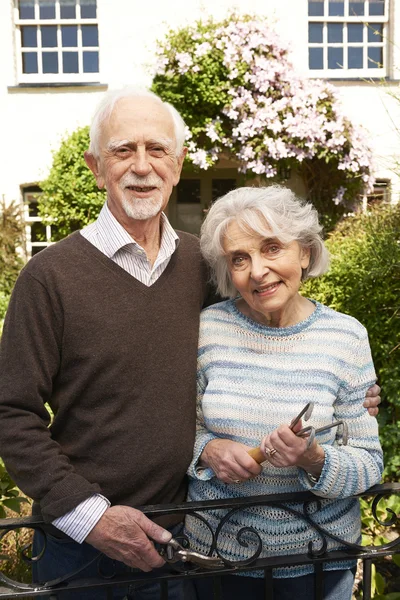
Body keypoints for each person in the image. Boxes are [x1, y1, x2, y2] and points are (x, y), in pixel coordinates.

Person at [0, 89, 380, 599]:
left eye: (157, 150)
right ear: (96, 166)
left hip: (186, 538)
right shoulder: (48, 277)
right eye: (122, 151)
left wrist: (351, 395)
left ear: (177, 165)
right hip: (83, 548)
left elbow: (259, 345)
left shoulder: (200, 268)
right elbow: (11, 413)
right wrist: (92, 519)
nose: (142, 167)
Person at [185, 185, 383, 600]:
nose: (257, 271)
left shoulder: (345, 336)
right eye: (240, 258)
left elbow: (368, 463)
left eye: (271, 248)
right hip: (217, 559)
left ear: (305, 253)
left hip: (318, 563)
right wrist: (209, 449)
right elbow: (177, 429)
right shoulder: (207, 329)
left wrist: (314, 460)